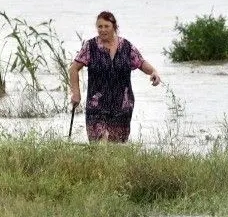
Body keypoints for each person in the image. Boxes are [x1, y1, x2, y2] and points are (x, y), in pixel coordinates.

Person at [68, 11, 161, 143]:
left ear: (114, 27)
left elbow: (140, 62)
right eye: (100, 26)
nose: (103, 30)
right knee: (100, 143)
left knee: (117, 148)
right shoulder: (90, 46)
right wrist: (76, 93)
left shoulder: (126, 47)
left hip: (122, 104)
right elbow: (73, 69)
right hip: (97, 104)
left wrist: (153, 72)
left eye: (106, 26)